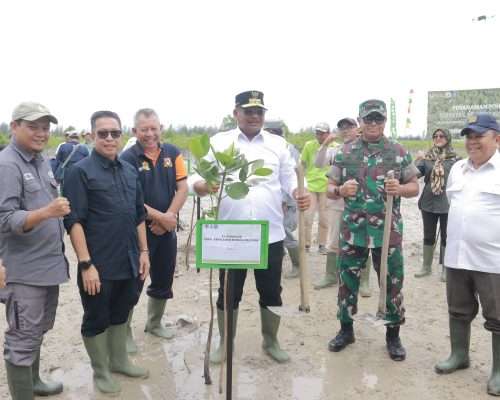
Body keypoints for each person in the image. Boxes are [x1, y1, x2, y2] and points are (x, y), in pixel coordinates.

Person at [190, 90, 310, 364]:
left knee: (271, 291)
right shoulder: (220, 142)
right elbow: (197, 176)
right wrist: (200, 185)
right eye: (249, 111)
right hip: (232, 233)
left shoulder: (277, 144)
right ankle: (225, 342)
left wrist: (298, 192)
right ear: (236, 113)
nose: (255, 116)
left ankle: (271, 340)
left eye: (260, 112)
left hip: (271, 233)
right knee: (229, 291)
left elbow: (289, 179)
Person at [63, 110, 150, 395]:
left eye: (115, 133)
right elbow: (73, 220)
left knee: (122, 312)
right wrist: (86, 264)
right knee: (97, 317)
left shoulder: (128, 169)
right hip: (98, 263)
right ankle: (101, 371)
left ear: (122, 135)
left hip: (129, 258)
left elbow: (138, 214)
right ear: (92, 136)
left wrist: (144, 251)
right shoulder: (80, 171)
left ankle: (119, 360)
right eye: (103, 133)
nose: (109, 138)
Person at [326, 99, 419, 361]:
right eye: (369, 119)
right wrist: (341, 190)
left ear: (384, 122)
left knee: (391, 283)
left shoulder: (398, 151)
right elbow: (329, 189)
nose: (374, 124)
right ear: (360, 121)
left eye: (378, 119)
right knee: (347, 282)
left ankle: (393, 335)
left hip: (387, 231)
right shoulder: (345, 152)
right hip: (353, 231)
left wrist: (399, 189)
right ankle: (346, 330)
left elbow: (414, 186)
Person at [0, 102, 70, 399]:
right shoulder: (7, 165)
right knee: (21, 339)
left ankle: (36, 381)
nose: (41, 133)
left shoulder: (40, 159)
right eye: (33, 127)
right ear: (14, 126)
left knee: (37, 329)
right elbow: (4, 218)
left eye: (45, 127)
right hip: (23, 270)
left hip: (46, 267)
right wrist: (46, 212)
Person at [434, 113, 500, 396]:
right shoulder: (458, 168)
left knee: (498, 316)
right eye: (469, 136)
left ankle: (499, 371)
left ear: (497, 138)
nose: (472, 142)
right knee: (458, 310)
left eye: (479, 136)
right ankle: (459, 355)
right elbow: (454, 204)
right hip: (457, 256)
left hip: (493, 260)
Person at [120, 108, 188, 350]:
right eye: (144, 129)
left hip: (166, 229)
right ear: (134, 131)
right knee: (134, 281)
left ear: (161, 128)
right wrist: (161, 218)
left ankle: (154, 323)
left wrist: (168, 218)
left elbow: (182, 188)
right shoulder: (127, 159)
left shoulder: (172, 152)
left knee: (164, 277)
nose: (149, 134)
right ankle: (124, 331)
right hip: (138, 231)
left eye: (153, 128)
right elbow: (131, 199)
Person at [313, 118, 373, 295]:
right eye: (342, 127)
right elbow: (318, 163)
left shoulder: (367, 148)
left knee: (363, 240)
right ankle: (331, 275)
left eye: (350, 127)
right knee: (333, 240)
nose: (346, 130)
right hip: (338, 202)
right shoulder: (336, 150)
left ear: (358, 128)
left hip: (361, 205)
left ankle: (364, 281)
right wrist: (325, 143)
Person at [413, 128, 459, 281]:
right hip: (428, 202)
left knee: (447, 236)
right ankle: (426, 267)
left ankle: (446, 269)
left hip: (447, 203)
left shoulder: (456, 160)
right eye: (435, 136)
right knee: (428, 235)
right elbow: (414, 174)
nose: (438, 138)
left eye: (442, 136)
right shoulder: (427, 158)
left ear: (448, 138)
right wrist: (417, 160)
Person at [264, 119, 301, 279]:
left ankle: (297, 265)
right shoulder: (266, 148)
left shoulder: (287, 148)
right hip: (272, 200)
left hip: (285, 200)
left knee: (285, 231)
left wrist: (284, 200)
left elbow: (290, 176)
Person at [301, 122, 332, 254]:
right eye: (317, 132)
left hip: (326, 186)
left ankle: (322, 244)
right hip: (311, 185)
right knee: (307, 217)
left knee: (324, 219)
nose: (319, 135)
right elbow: (302, 163)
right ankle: (306, 244)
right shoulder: (309, 145)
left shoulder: (334, 146)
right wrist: (300, 182)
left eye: (322, 133)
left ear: (328, 133)